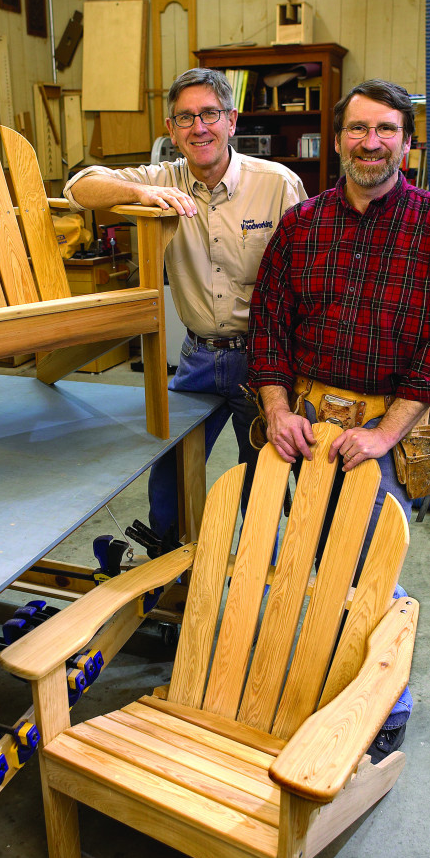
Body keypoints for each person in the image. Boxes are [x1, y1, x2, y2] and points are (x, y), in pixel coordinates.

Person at [247, 78, 430, 756]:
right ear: (338, 137)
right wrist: (277, 407)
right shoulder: (302, 223)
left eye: (384, 131)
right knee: (317, 556)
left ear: (406, 143)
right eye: (356, 129)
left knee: (370, 566)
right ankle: (332, 680)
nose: (369, 143)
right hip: (309, 423)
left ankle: (386, 706)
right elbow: (269, 323)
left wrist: (383, 433)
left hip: (382, 430)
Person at [64, 67, 307, 543]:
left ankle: (257, 581)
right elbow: (79, 188)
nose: (199, 128)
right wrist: (138, 192)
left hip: (263, 360)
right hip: (197, 357)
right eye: (185, 118)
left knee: (261, 480)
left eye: (210, 114)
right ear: (171, 130)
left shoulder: (276, 184)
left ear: (232, 120)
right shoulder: (162, 179)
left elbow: (308, 277)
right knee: (169, 475)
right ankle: (168, 574)